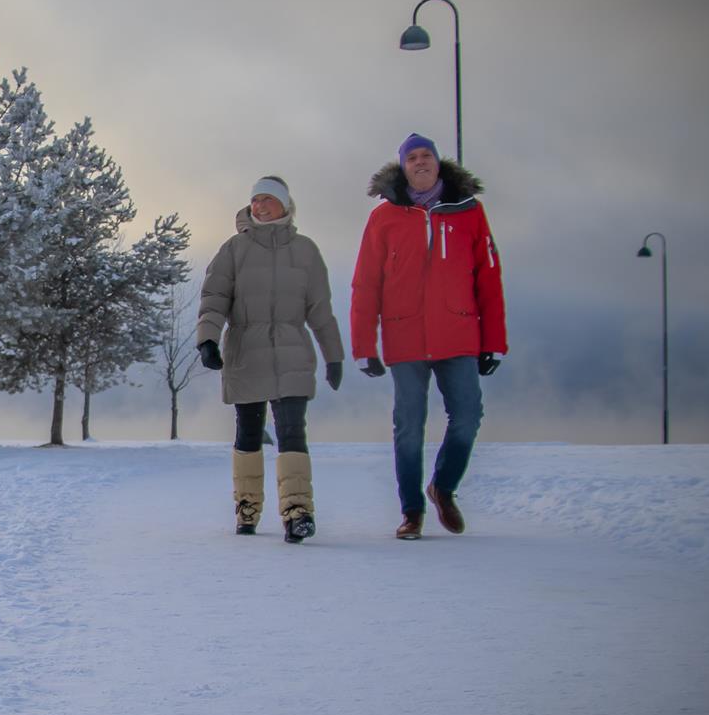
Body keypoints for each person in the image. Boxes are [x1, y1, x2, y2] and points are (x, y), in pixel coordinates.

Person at [350, 134, 507, 540]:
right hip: (405, 337)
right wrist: (364, 346)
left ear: (438, 163)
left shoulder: (470, 212)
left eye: (427, 156)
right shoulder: (384, 218)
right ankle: (412, 511)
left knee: (468, 415)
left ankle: (443, 486)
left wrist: (494, 342)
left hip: (459, 332)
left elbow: (489, 279)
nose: (420, 162)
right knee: (409, 424)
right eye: (412, 158)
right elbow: (366, 284)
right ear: (403, 167)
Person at [196, 176, 344, 542]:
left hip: (292, 349)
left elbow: (320, 309)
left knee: (292, 430)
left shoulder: (306, 251)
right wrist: (207, 340)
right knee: (249, 432)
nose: (260, 206)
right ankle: (247, 507)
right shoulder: (234, 249)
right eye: (255, 200)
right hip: (246, 348)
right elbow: (214, 298)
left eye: (268, 200)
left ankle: (298, 512)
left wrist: (334, 355)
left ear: (285, 205)